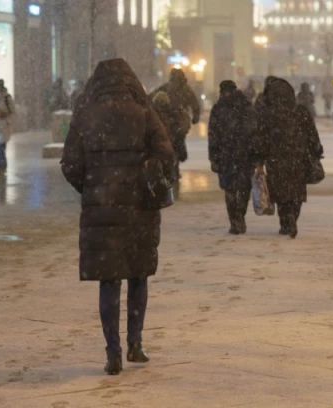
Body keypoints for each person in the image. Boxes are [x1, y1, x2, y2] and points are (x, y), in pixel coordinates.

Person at [60, 58, 175, 376]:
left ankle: (113, 353)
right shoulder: (144, 112)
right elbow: (166, 153)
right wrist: (145, 173)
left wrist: (91, 186)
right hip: (138, 209)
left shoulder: (85, 114)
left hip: (103, 211)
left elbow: (69, 162)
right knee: (138, 276)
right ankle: (135, 344)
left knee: (109, 281)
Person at [253, 78, 324, 239]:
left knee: (281, 192)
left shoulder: (268, 114)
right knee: (296, 191)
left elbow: (261, 139)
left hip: (276, 159)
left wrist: (259, 159)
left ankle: (286, 222)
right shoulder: (300, 112)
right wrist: (316, 151)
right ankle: (292, 218)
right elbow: (312, 135)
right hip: (298, 158)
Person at [208, 80, 256, 235]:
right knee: (243, 188)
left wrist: (214, 157)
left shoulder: (219, 108)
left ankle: (235, 220)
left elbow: (213, 136)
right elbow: (254, 131)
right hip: (244, 155)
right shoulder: (246, 106)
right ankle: (239, 217)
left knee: (230, 189)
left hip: (227, 154)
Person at [150, 69, 201, 178]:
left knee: (170, 144)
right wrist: (195, 116)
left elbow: (151, 97)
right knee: (178, 143)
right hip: (179, 122)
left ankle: (173, 166)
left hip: (169, 122)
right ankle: (176, 164)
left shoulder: (166, 87)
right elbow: (195, 104)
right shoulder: (186, 90)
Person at [151, 91, 180, 182]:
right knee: (169, 166)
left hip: (156, 145)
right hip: (169, 144)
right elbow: (176, 129)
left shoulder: (151, 112)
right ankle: (170, 180)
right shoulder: (171, 112)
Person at [0, 79, 15, 176]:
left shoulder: (7, 98)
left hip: (4, 125)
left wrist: (4, 116)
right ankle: (2, 166)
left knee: (0, 146)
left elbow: (12, 111)